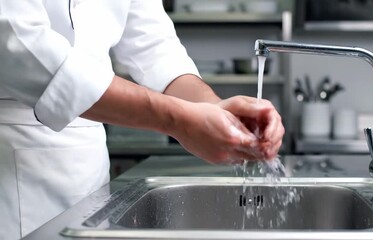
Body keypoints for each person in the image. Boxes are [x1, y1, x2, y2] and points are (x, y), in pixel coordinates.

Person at [0, 0, 285, 239]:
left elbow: (155, 47)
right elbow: (19, 44)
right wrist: (178, 120)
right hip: (11, 168)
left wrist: (216, 108)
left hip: (87, 169)